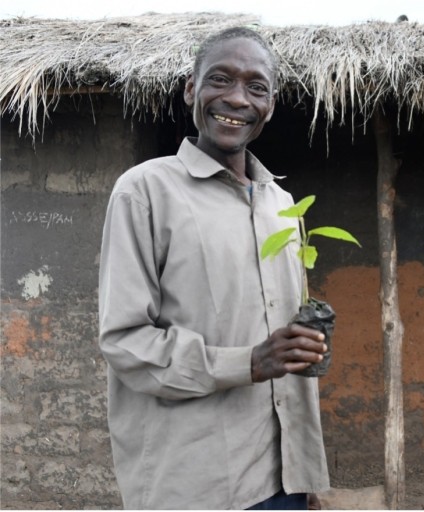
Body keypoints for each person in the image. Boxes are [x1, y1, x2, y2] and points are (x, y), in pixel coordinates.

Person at [98, 27, 329, 509]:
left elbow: (280, 334)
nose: (237, 98)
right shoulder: (145, 192)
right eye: (220, 79)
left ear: (269, 104)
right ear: (191, 89)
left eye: (256, 87)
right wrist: (247, 362)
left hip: (284, 475)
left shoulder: (280, 204)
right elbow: (125, 341)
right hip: (196, 484)